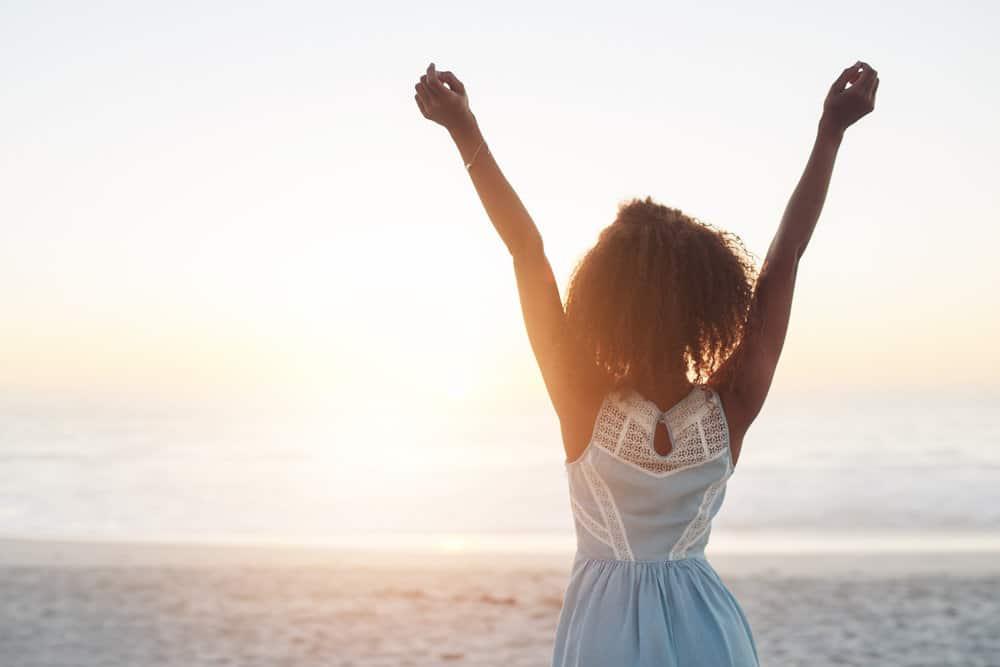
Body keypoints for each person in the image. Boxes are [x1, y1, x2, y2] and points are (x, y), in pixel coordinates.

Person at [414, 59, 878, 667]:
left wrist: (465, 134)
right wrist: (830, 133)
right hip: (711, 637)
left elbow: (526, 251)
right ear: (708, 304)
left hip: (603, 640)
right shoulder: (730, 406)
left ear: (604, 303)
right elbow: (783, 261)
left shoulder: (582, 403)